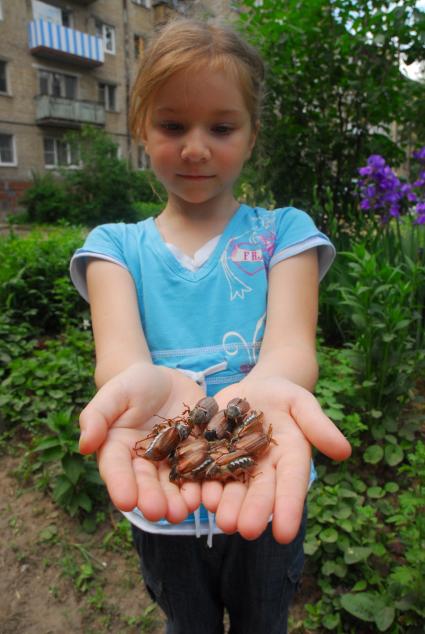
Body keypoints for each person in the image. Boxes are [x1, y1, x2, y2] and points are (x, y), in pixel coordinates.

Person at [70, 18, 351, 634]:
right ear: (141, 127)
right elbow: (120, 361)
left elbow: (291, 350)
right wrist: (144, 386)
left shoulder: (285, 233)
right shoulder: (114, 246)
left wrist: (262, 391)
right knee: (186, 623)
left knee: (263, 619)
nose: (196, 147)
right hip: (161, 503)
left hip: (265, 483)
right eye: (173, 125)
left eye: (221, 127)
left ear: (251, 136)